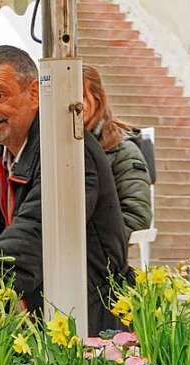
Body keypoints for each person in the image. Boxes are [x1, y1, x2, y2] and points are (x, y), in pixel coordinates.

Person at [0, 45, 129, 335]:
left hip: (83, 316)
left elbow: (36, 232)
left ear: (34, 93)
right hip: (20, 324)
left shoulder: (69, 150)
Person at [83, 64, 153, 240]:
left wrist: (88, 244)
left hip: (97, 256)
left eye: (79, 97)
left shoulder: (123, 151)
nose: (69, 105)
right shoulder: (44, 147)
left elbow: (136, 217)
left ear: (96, 100)